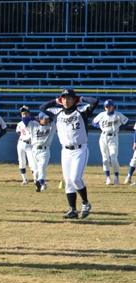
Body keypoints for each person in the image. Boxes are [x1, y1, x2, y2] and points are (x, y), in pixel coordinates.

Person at [40, 88, 98, 219]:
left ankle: (85, 203)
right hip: (65, 151)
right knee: (68, 181)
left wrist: (80, 99)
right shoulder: (57, 112)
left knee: (75, 178)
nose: (66, 101)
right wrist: (56, 100)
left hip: (80, 149)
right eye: (63, 98)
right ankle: (72, 210)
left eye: (69, 98)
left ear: (74, 100)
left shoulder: (81, 111)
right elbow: (42, 107)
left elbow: (95, 102)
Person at [92, 99, 129, 185]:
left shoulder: (118, 115)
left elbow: (127, 122)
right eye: (106, 106)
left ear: (113, 106)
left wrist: (119, 128)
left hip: (113, 137)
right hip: (103, 136)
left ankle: (116, 177)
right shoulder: (102, 115)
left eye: (109, 106)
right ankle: (108, 178)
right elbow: (94, 122)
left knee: (113, 158)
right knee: (105, 159)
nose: (107, 108)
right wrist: (99, 126)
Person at [22, 112, 56, 192]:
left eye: (48, 118)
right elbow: (24, 119)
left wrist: (49, 117)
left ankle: (41, 182)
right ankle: (40, 183)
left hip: (45, 150)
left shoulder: (51, 126)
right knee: (36, 170)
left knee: (42, 167)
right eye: (45, 118)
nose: (47, 120)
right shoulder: (34, 125)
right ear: (40, 119)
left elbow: (55, 118)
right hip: (34, 149)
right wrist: (34, 117)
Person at [15, 106, 35, 185]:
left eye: (26, 113)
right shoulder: (20, 124)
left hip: (30, 144)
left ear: (29, 114)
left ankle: (35, 179)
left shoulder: (33, 123)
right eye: (23, 114)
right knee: (21, 161)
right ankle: (25, 179)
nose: (25, 115)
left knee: (32, 162)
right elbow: (19, 132)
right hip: (21, 143)